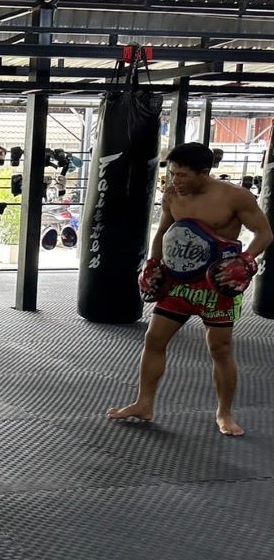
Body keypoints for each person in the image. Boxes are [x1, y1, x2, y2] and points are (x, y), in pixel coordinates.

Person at [108, 141, 272, 436]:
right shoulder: (173, 195)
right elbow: (163, 231)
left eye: (182, 175)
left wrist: (245, 260)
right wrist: (153, 263)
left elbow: (265, 233)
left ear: (204, 172)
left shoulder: (236, 197)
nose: (175, 181)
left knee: (219, 348)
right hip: (178, 282)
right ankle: (144, 403)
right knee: (154, 339)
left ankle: (224, 413)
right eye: (172, 173)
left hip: (217, 284)